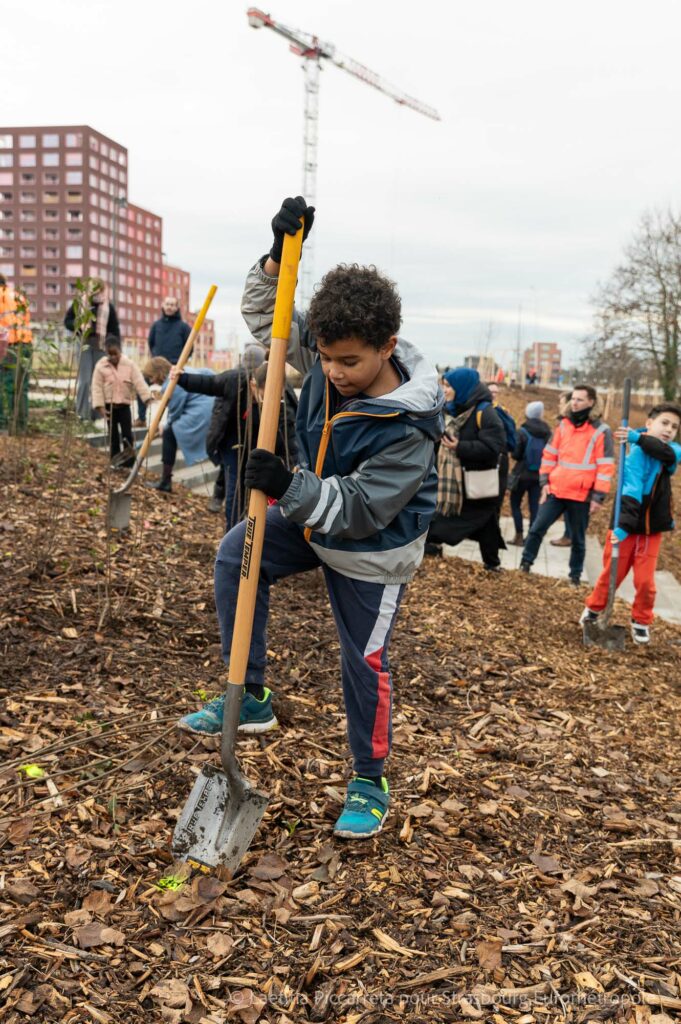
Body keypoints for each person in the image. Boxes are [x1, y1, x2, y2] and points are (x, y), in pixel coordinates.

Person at [178, 195, 442, 841]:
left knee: (364, 662)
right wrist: (276, 257)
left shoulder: (410, 426)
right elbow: (265, 315)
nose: (331, 371)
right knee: (234, 556)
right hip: (307, 513)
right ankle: (255, 698)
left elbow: (355, 508)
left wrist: (287, 484)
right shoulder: (327, 358)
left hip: (370, 550)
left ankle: (368, 778)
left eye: (348, 361)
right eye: (323, 357)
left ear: (384, 347)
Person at [581, 404, 681, 645]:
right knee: (611, 574)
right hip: (625, 526)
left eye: (674, 427)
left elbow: (671, 454)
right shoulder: (635, 452)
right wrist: (624, 526)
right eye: (664, 423)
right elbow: (631, 491)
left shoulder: (671, 451)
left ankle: (641, 621)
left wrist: (639, 437)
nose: (669, 429)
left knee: (646, 581)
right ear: (649, 424)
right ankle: (594, 611)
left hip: (651, 530)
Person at [170, 344, 298, 530]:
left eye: (275, 396)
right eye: (264, 395)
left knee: (261, 492)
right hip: (234, 444)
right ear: (254, 384)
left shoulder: (282, 399)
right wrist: (182, 377)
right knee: (235, 491)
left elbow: (290, 437)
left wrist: (294, 463)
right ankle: (233, 531)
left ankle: (257, 533)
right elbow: (209, 384)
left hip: (261, 448)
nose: (270, 400)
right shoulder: (235, 381)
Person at [520, 384, 614, 585]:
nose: (575, 402)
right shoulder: (564, 425)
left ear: (591, 402)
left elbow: (605, 466)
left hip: (582, 494)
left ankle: (575, 576)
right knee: (537, 528)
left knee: (578, 540)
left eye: (580, 399)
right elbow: (549, 454)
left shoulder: (601, 431)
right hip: (556, 489)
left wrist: (598, 497)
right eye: (573, 398)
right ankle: (525, 564)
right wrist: (544, 481)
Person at [426, 367, 506, 570]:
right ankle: (492, 564)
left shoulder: (485, 413)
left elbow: (494, 447)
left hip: (474, 483)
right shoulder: (453, 409)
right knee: (486, 523)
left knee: (451, 520)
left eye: (448, 386)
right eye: (443, 385)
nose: (444, 390)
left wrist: (459, 447)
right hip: (457, 482)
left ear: (462, 388)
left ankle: (432, 546)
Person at [142, 356, 215, 492]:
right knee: (170, 430)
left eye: (151, 377)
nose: (152, 381)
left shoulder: (171, 383)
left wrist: (165, 426)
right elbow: (208, 372)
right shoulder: (183, 369)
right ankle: (166, 480)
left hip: (200, 413)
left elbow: (175, 412)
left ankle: (165, 481)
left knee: (169, 433)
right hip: (212, 406)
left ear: (158, 373)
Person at [65, 279, 120, 421]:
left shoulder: (109, 307)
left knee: (100, 381)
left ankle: (97, 413)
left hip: (101, 347)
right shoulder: (79, 304)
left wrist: (113, 345)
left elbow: (114, 330)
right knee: (85, 381)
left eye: (98, 289)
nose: (95, 292)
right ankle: (82, 414)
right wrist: (79, 324)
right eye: (93, 289)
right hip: (83, 344)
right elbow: (67, 321)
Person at [91, 337, 151, 467]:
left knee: (127, 435)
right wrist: (99, 406)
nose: (112, 357)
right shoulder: (100, 366)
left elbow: (139, 381)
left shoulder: (129, 364)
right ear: (105, 352)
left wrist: (147, 397)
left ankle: (129, 462)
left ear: (120, 351)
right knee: (113, 436)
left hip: (124, 406)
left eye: (115, 354)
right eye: (109, 354)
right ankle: (115, 461)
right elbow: (96, 387)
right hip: (109, 408)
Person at [139, 297, 192, 425]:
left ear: (177, 308)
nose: (169, 307)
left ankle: (169, 423)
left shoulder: (183, 327)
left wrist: (179, 363)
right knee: (140, 382)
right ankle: (141, 418)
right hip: (156, 366)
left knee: (174, 393)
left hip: (174, 366)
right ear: (163, 305)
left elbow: (189, 347)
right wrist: (156, 360)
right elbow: (151, 343)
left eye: (172, 305)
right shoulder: (156, 326)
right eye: (167, 304)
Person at [508, 400, 552, 545]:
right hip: (539, 476)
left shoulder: (522, 431)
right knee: (535, 507)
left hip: (521, 474)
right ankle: (531, 538)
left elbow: (515, 454)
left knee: (515, 503)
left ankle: (518, 535)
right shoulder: (547, 432)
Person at [0, 275, 33, 433]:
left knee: (5, 386)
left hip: (8, 346)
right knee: (22, 388)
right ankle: (21, 427)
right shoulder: (18, 296)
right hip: (26, 344)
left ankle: (3, 426)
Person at [486, 380, 516, 510]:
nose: (493, 394)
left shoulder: (502, 411)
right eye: (490, 391)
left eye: (495, 392)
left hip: (499, 455)